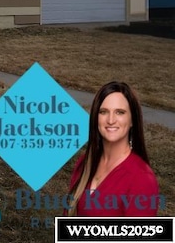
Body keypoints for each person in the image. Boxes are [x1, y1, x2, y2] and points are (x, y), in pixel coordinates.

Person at [67, 81, 161, 216]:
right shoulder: (83, 163)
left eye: (120, 112)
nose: (111, 120)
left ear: (132, 120)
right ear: (95, 117)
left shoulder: (142, 180)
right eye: (103, 112)